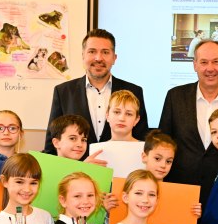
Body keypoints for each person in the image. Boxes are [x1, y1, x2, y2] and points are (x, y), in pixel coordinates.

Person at [159, 39, 218, 205]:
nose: (210, 68)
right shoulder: (175, 97)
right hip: (180, 192)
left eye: (216, 62)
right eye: (204, 62)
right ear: (194, 65)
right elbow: (162, 142)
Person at [44, 29, 149, 158]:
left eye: (105, 52)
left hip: (119, 172)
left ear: (114, 58)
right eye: (92, 51)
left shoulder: (134, 91)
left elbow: (142, 138)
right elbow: (52, 143)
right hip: (76, 174)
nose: (98, 58)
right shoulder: (63, 92)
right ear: (83, 56)